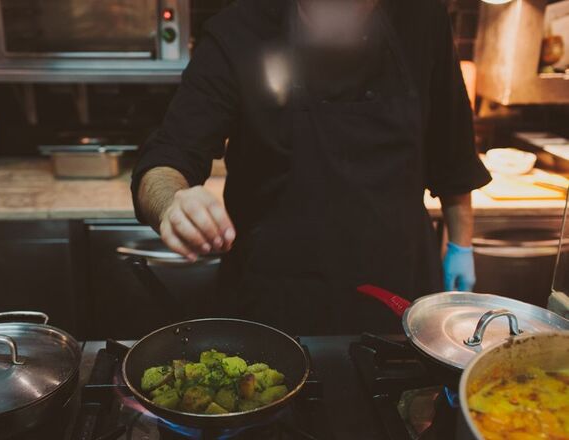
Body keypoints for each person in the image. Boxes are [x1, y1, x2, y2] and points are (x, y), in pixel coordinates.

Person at [131, 0, 491, 335]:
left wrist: (461, 248)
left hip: (398, 291)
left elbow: (453, 156)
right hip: (276, 302)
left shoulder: (422, 17)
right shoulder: (239, 30)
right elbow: (166, 159)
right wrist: (172, 204)